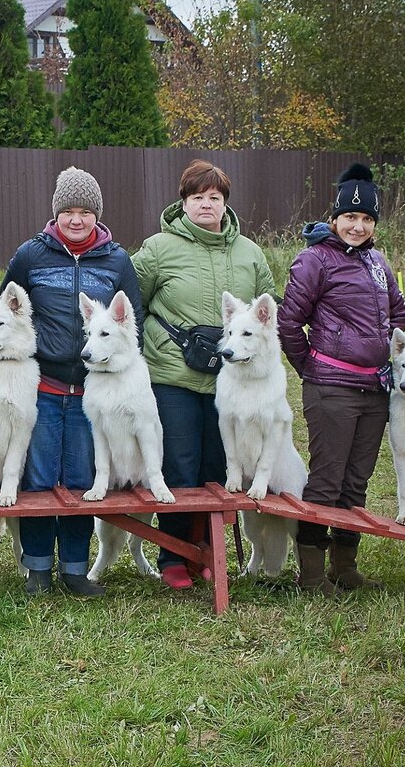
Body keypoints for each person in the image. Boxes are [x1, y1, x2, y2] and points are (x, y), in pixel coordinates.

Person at [133, 159, 276, 590]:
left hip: (231, 382)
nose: (206, 204)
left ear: (225, 203)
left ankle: (207, 553)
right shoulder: (158, 248)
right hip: (172, 375)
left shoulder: (250, 253)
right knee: (178, 464)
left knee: (218, 468)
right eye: (197, 197)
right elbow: (132, 305)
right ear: (184, 202)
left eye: (214, 197)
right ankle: (173, 557)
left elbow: (268, 314)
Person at [2, 167, 142, 597]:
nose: (76, 220)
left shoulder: (116, 260)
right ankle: (38, 569)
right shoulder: (30, 256)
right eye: (67, 211)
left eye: (84, 212)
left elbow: (130, 326)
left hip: (94, 392)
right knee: (40, 477)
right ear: (55, 213)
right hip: (43, 386)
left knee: (83, 477)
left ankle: (76, 569)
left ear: (96, 215)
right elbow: (9, 315)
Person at [278, 163, 405, 595]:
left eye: (367, 219)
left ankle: (344, 566)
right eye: (350, 217)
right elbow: (288, 324)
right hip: (330, 389)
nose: (358, 226)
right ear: (334, 218)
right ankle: (312, 574)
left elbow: (399, 315)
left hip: (375, 389)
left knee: (357, 481)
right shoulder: (314, 260)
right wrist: (313, 368)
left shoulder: (377, 262)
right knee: (327, 480)